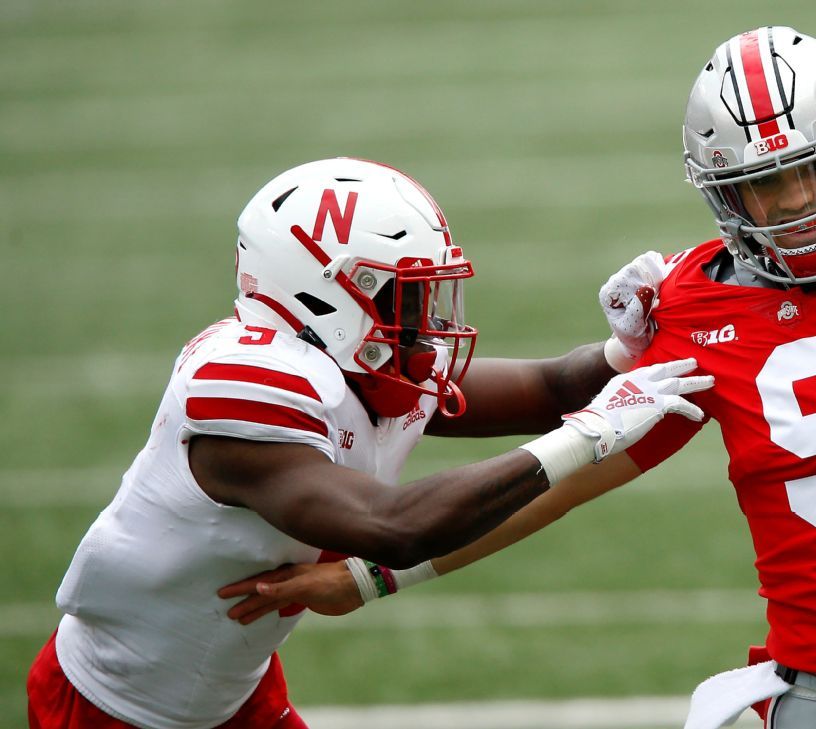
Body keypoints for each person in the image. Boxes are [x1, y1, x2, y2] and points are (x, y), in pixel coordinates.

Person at [218, 28, 816, 729]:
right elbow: (575, 474)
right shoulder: (695, 303)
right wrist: (378, 572)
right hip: (815, 705)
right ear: (723, 193)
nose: (798, 206)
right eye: (767, 186)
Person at [25, 157, 712, 729]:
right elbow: (396, 527)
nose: (425, 320)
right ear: (323, 298)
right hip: (111, 707)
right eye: (404, 295)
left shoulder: (354, 363)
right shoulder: (248, 391)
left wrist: (625, 351)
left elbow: (546, 384)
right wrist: (590, 434)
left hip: (230, 689)